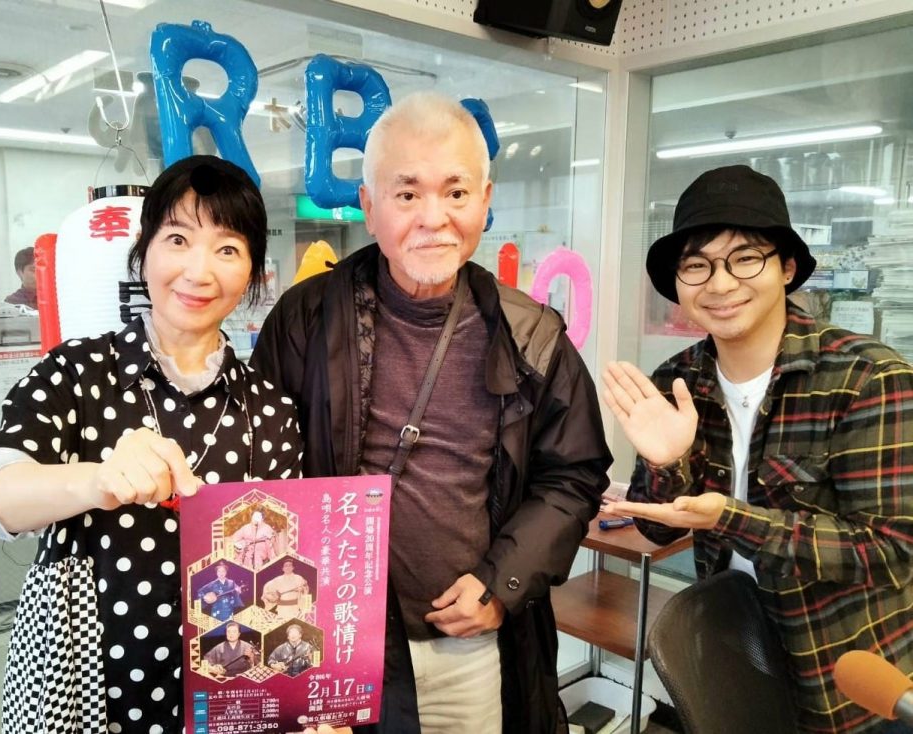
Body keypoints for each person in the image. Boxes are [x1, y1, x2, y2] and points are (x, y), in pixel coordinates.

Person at [251, 91, 612, 734]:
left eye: (456, 192)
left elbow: (574, 474)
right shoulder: (306, 319)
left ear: (485, 200)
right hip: (332, 638)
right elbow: (259, 471)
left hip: (467, 645)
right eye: (407, 193)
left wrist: (504, 581)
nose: (433, 218)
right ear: (368, 206)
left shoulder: (531, 336)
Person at [0, 154, 303, 733]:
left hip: (230, 685)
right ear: (143, 252)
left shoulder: (270, 408)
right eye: (178, 239)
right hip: (85, 681)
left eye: (227, 249)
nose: (198, 272)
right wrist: (94, 479)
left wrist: (304, 701)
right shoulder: (77, 371)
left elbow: (286, 561)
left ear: (253, 273)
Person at [601, 164, 913, 734]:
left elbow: (891, 549)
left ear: (786, 267)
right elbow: (658, 529)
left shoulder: (868, 378)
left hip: (849, 683)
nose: (720, 285)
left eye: (745, 258)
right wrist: (667, 463)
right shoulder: (678, 380)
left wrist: (730, 518)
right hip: (733, 664)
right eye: (696, 265)